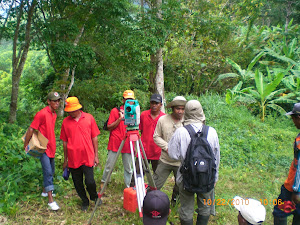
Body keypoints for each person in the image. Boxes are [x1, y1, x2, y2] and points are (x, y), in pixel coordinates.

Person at [168, 100, 220, 225]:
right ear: (201, 112)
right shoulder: (212, 131)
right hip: (206, 176)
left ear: (186, 113)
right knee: (205, 205)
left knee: (186, 207)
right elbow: (216, 157)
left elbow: (172, 154)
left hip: (186, 177)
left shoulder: (181, 131)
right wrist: (215, 176)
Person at [60, 97, 100, 211]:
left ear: (78, 108)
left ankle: (94, 196)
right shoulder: (65, 122)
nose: (70, 113)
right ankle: (84, 201)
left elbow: (94, 137)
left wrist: (96, 156)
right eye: (69, 111)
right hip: (73, 158)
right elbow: (64, 142)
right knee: (77, 183)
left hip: (87, 156)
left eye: (72, 110)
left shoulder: (89, 118)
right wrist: (66, 160)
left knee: (90, 181)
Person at [23, 92, 61, 211]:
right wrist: (26, 145)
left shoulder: (54, 114)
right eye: (54, 101)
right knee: (48, 172)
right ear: (48, 101)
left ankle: (45, 191)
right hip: (43, 148)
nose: (57, 103)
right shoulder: (42, 114)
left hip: (52, 146)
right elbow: (31, 128)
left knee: (52, 170)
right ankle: (50, 201)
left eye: (58, 101)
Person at [153, 96, 187, 204]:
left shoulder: (188, 121)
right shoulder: (163, 120)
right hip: (165, 160)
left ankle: (175, 202)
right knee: (156, 183)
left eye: (182, 109)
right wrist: (167, 147)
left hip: (181, 162)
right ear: (172, 108)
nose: (180, 111)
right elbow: (156, 136)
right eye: (178, 108)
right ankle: (151, 201)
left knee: (180, 185)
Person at [101, 90, 135, 189]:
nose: (128, 101)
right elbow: (109, 126)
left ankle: (128, 186)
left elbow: (136, 127)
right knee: (109, 165)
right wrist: (120, 119)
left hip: (128, 142)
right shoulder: (115, 111)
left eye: (131, 100)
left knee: (128, 168)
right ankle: (104, 182)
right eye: (126, 99)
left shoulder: (134, 111)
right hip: (115, 142)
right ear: (123, 100)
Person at [273, 102, 300, 224]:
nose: (293, 121)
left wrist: (296, 191)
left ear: (298, 117)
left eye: (293, 118)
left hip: (292, 188)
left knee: (279, 211)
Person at [140, 93, 165, 173]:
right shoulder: (143, 115)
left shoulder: (164, 118)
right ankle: (136, 186)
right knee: (137, 174)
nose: (154, 105)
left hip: (157, 152)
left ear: (160, 105)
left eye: (156, 103)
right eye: (152, 103)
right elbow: (141, 130)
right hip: (143, 150)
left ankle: (153, 186)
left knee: (157, 176)